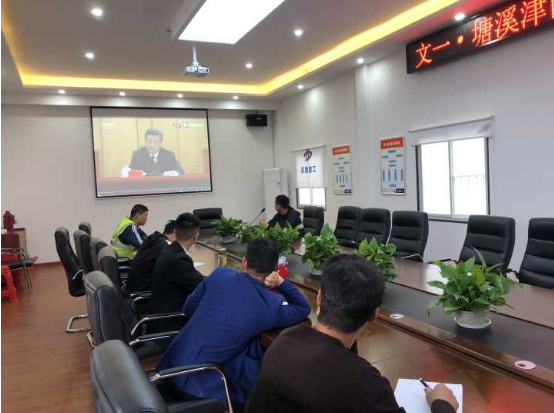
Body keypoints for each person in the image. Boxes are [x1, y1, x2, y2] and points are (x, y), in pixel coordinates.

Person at [244, 254, 459, 413]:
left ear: (319, 298)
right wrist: (442, 404)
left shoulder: (286, 339)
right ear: (374, 315)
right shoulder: (363, 382)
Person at [156, 238, 311, 409]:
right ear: (274, 269)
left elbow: (189, 309)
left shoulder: (219, 275)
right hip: (199, 386)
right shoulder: (270, 305)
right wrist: (281, 282)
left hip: (168, 368)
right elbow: (303, 308)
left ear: (244, 262)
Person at [148, 213, 204, 332]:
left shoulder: (169, 250)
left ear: (175, 231)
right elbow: (203, 285)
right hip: (171, 322)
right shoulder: (179, 259)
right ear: (196, 237)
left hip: (160, 313)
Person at [126, 220, 177, 293]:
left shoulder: (155, 239)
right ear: (175, 232)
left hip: (134, 285)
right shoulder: (165, 245)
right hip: (143, 290)